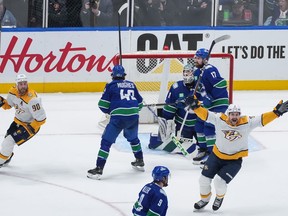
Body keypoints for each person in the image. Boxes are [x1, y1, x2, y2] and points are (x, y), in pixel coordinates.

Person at [185, 95, 288, 211]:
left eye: (237, 114)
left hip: (233, 162)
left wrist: (276, 113)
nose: (235, 117)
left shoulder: (247, 123)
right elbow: (206, 115)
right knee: (203, 180)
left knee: (219, 182)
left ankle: (219, 197)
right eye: (232, 114)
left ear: (240, 115)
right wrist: (196, 107)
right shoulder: (219, 119)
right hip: (216, 156)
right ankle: (204, 199)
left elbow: (262, 119)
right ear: (228, 114)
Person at [87, 65, 145, 180]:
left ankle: (99, 168)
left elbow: (102, 105)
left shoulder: (110, 86)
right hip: (134, 116)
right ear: (124, 75)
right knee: (133, 139)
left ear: (112, 75)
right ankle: (140, 160)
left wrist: (112, 111)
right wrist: (131, 112)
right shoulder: (132, 84)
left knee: (106, 142)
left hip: (118, 118)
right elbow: (140, 104)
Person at [148, 63, 200, 155]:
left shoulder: (201, 86)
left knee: (206, 149)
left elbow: (208, 103)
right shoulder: (176, 87)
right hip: (183, 125)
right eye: (184, 72)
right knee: (182, 152)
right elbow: (169, 106)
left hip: (199, 124)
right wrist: (168, 121)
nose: (186, 74)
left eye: (188, 72)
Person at [0, 74, 46, 167]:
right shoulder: (12, 92)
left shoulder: (32, 99)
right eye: (21, 84)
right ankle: (7, 158)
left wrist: (31, 127)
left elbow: (41, 119)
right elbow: (8, 105)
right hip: (17, 121)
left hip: (30, 125)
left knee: (9, 141)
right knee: (6, 141)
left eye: (25, 84)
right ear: (16, 85)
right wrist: (2, 102)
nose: (23, 86)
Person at [192, 48, 229, 165]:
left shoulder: (210, 69)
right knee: (199, 124)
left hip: (219, 101)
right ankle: (203, 149)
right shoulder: (197, 72)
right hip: (209, 103)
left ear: (205, 59)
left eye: (198, 58)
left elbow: (221, 84)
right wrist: (192, 99)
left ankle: (212, 155)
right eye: (195, 58)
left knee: (209, 126)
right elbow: (198, 90)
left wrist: (210, 98)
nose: (195, 60)